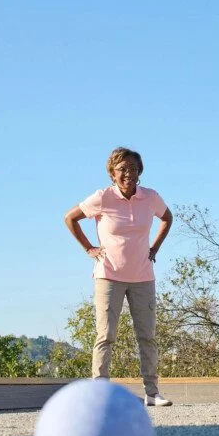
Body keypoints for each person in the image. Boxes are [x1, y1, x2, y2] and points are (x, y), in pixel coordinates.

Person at [64, 147, 174, 406]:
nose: (128, 173)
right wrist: (89, 248)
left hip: (143, 277)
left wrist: (154, 248)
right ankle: (99, 393)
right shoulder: (102, 197)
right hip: (109, 276)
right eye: (122, 169)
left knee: (147, 336)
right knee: (106, 335)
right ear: (113, 173)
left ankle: (152, 393)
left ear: (140, 171)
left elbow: (167, 218)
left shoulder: (150, 197)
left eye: (133, 168)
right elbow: (70, 218)